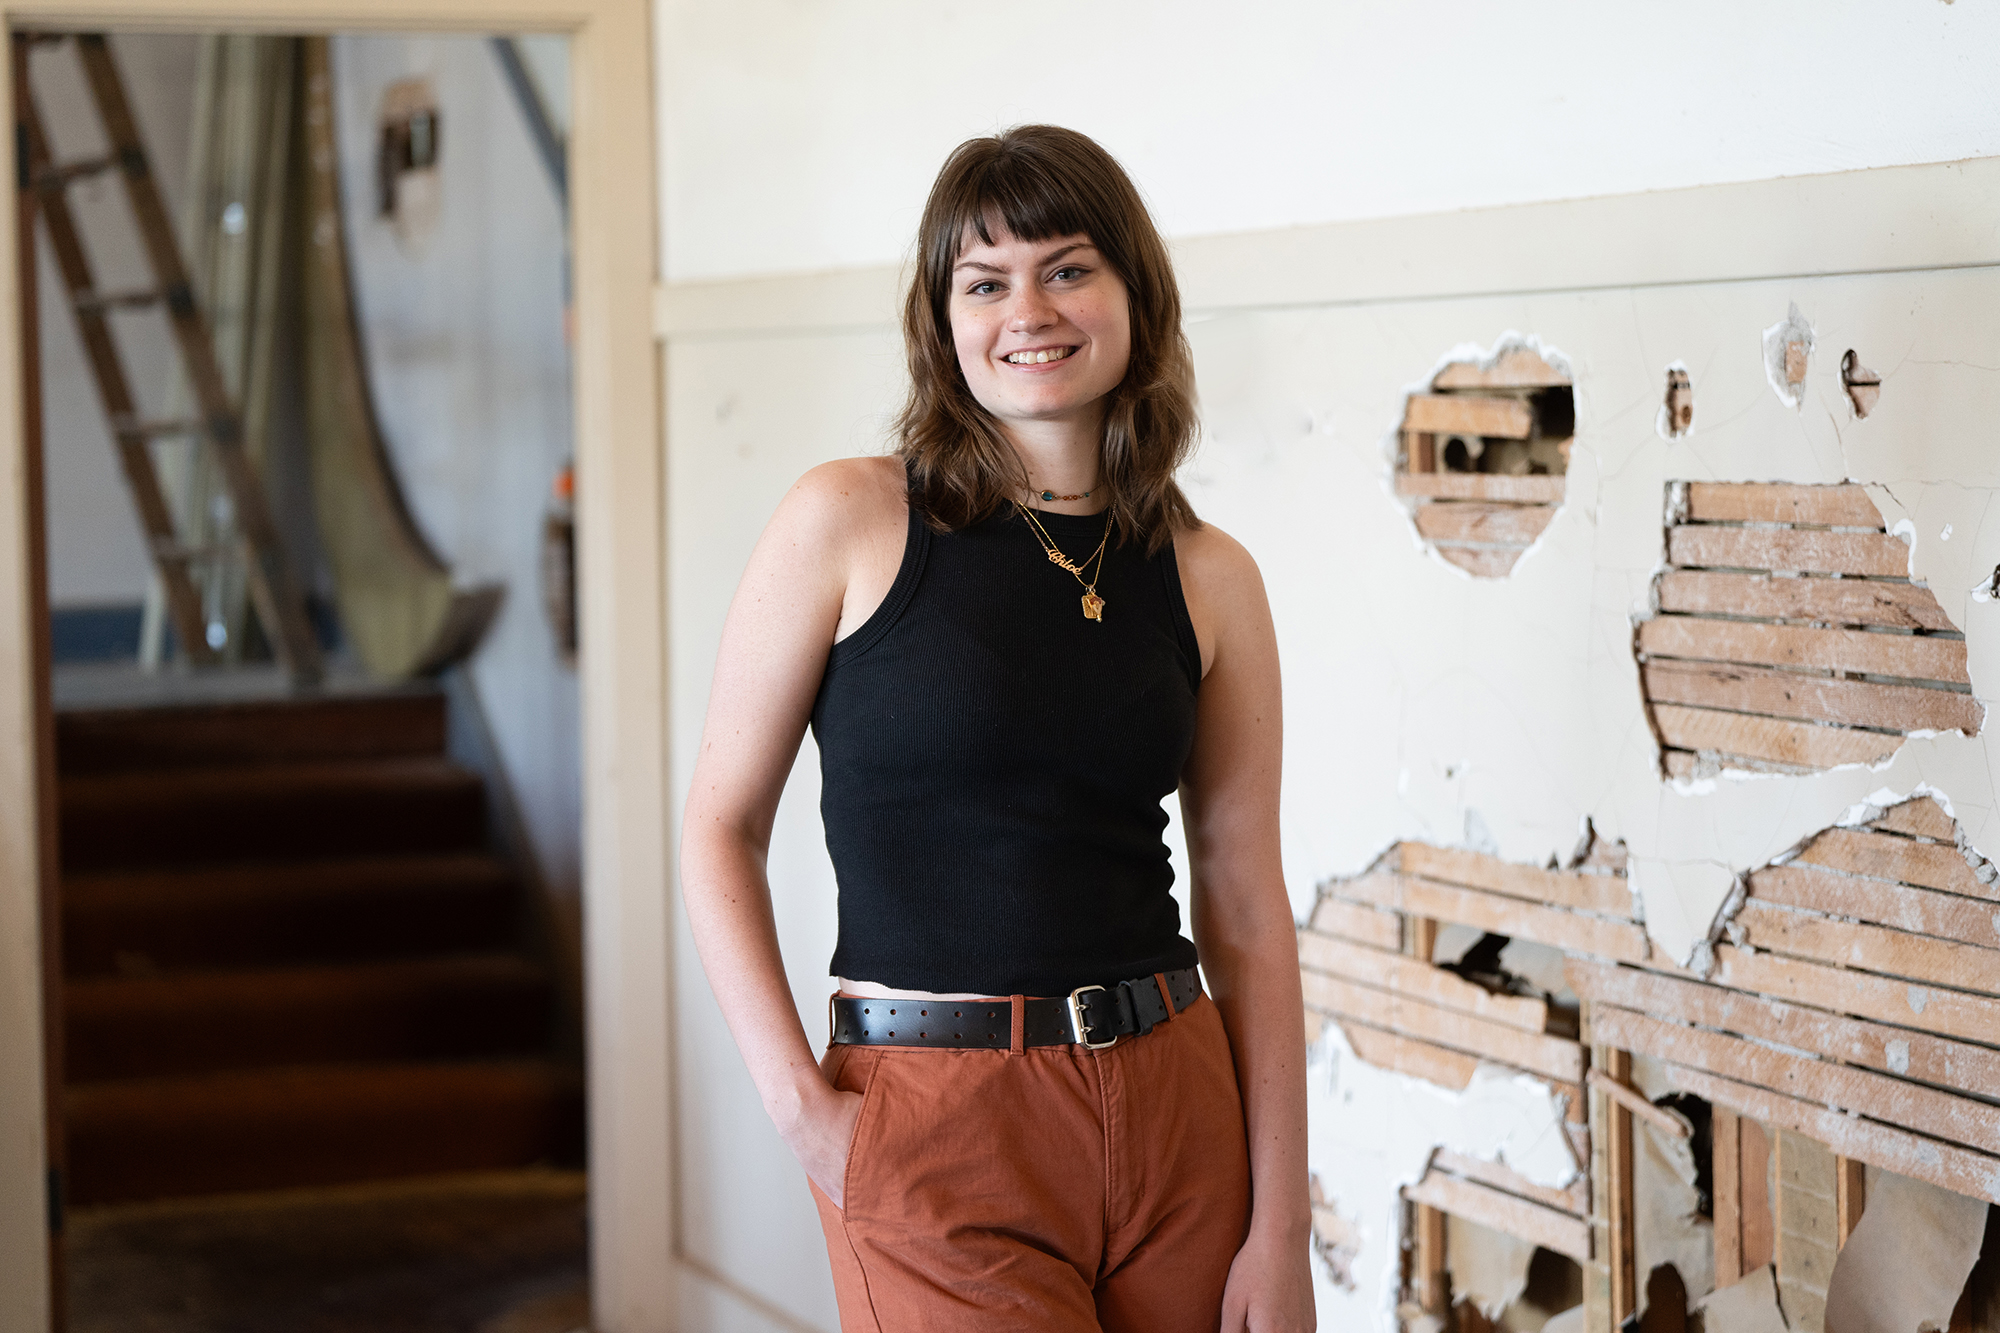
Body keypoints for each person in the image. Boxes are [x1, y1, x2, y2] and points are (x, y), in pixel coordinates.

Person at [680, 124, 1314, 1333]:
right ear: (943, 318)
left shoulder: (1208, 572)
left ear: (1134, 293)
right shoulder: (847, 521)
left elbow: (1244, 904)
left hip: (1178, 1099)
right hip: (934, 1116)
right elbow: (719, 827)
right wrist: (806, 1115)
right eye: (984, 281)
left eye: (1067, 267)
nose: (1029, 307)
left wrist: (1278, 1222)